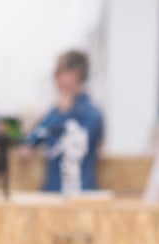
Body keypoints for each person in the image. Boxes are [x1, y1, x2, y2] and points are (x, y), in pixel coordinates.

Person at [23, 49, 104, 192]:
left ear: (75, 74)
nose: (55, 79)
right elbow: (29, 143)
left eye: (59, 72)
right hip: (52, 194)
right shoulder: (54, 113)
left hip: (81, 195)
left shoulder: (92, 115)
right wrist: (58, 114)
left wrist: (62, 114)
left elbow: (71, 142)